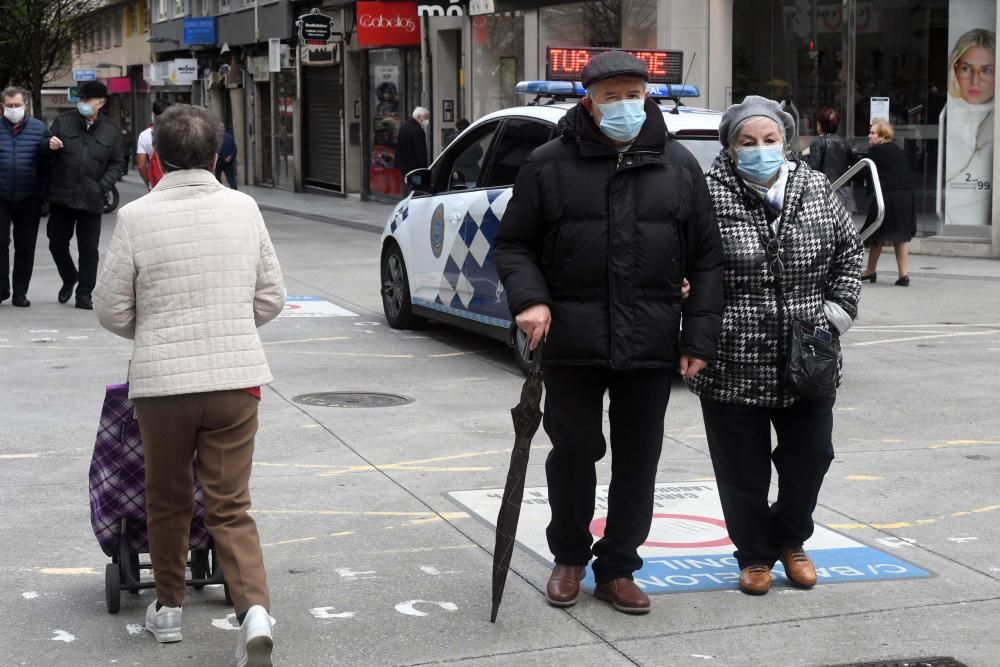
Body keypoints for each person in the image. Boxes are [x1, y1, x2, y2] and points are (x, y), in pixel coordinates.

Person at [495, 51, 723, 615]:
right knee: (573, 451)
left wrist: (697, 339)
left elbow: (708, 259)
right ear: (588, 102)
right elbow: (514, 242)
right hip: (571, 339)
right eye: (611, 95)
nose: (624, 105)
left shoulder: (678, 165)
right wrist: (530, 298)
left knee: (639, 456)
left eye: (633, 93)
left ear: (648, 96)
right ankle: (569, 556)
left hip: (649, 339)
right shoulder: (548, 163)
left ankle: (619, 565)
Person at [93, 104, 285, 667]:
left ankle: (170, 609)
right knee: (230, 504)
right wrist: (227, 325)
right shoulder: (245, 208)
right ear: (216, 154)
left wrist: (151, 328)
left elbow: (110, 309)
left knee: (168, 496)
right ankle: (253, 612)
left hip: (162, 384)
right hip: (236, 380)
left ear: (158, 156)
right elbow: (270, 296)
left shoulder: (136, 217)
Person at [689, 95, 862, 596]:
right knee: (741, 469)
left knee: (812, 455)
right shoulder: (706, 194)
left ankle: (791, 540)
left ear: (786, 142)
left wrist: (836, 313)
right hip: (732, 357)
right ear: (730, 146)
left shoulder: (814, 186)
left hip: (808, 354)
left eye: (769, 140)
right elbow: (685, 261)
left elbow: (849, 253)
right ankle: (755, 555)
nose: (760, 149)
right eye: (748, 142)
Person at [41, 80, 126, 310]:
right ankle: (70, 276)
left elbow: (118, 163)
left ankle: (84, 293)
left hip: (92, 197)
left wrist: (102, 186)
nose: (83, 104)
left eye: (88, 100)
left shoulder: (111, 130)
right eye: (81, 100)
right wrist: (49, 144)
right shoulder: (63, 122)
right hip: (63, 195)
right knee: (57, 243)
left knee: (89, 249)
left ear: (101, 103)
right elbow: (43, 148)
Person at [0, 86, 47, 307]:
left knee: (25, 246)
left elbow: (48, 159)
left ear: (25, 105)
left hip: (29, 196)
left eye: (17, 105)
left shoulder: (39, 129)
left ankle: (20, 292)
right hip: (1, 196)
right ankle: (1, 289)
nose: (14, 109)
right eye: (9, 106)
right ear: (2, 107)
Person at [943, 28, 994, 227]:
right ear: (954, 69)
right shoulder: (949, 116)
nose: (975, 80)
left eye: (987, 70)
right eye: (966, 68)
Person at [860, 120, 916, 286]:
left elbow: (864, 171)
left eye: (873, 133)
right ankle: (903, 275)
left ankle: (870, 271)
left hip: (888, 197)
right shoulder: (898, 150)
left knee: (876, 231)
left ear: (882, 135)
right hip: (906, 196)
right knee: (900, 236)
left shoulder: (877, 150)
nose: (869, 135)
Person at [805, 107, 856, 213]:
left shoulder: (818, 142)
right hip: (844, 190)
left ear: (821, 125)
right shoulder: (844, 143)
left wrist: (804, 156)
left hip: (825, 190)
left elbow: (813, 167)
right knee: (843, 224)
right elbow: (853, 165)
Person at [136, 99, 171, 189]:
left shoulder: (144, 135)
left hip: (156, 182)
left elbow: (141, 165)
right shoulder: (178, 132)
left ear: (153, 114)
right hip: (176, 183)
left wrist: (148, 182)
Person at [396, 106, 430, 195]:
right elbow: (420, 153)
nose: (427, 120)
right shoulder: (417, 130)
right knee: (416, 191)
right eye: (425, 117)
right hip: (415, 169)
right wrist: (423, 170)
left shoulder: (404, 127)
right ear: (419, 117)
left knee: (406, 190)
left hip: (405, 167)